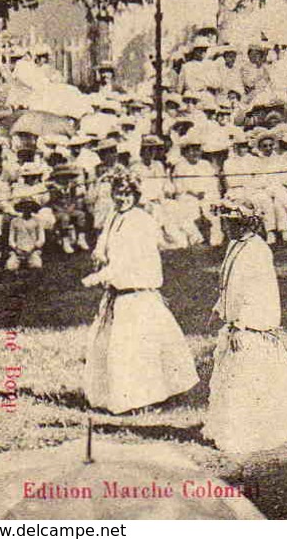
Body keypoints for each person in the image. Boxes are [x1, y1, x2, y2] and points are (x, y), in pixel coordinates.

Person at [81, 174, 199, 413]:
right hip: (119, 292)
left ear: (135, 195)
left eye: (127, 194)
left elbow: (129, 259)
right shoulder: (115, 217)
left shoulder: (140, 220)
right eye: (118, 193)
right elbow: (104, 243)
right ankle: (121, 397)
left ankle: (145, 398)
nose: (122, 198)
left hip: (137, 291)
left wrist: (99, 277)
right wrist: (99, 253)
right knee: (115, 347)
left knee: (139, 347)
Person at [204, 199, 287, 455]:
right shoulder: (235, 245)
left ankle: (256, 431)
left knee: (252, 378)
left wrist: (242, 324)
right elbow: (231, 283)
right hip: (236, 320)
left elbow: (256, 290)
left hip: (251, 324)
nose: (229, 227)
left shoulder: (257, 249)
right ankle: (231, 429)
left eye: (234, 222)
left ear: (247, 223)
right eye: (226, 222)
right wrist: (220, 308)